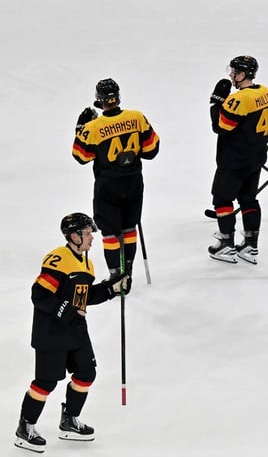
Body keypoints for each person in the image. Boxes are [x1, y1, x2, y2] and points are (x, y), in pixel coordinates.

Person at [14, 212, 129, 452]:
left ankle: (69, 421)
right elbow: (39, 295)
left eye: (90, 233)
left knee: (86, 373)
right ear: (73, 236)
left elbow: (83, 297)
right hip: (52, 332)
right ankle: (25, 428)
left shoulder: (87, 264)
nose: (91, 238)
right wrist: (65, 311)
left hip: (75, 330)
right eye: (87, 233)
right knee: (46, 382)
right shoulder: (58, 259)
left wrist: (111, 288)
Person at [72, 78, 160, 277]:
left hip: (108, 187)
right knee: (129, 228)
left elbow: (81, 156)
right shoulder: (137, 117)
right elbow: (151, 150)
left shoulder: (93, 127)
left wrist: (81, 129)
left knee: (110, 232)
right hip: (134, 183)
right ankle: (127, 269)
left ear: (99, 100)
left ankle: (115, 274)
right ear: (118, 97)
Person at [208, 55, 268, 264]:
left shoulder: (239, 99)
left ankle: (227, 245)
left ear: (243, 74)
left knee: (222, 199)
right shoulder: (265, 92)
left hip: (234, 161)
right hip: (255, 158)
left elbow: (219, 126)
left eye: (234, 72)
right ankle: (250, 246)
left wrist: (215, 102)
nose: (231, 75)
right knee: (248, 199)